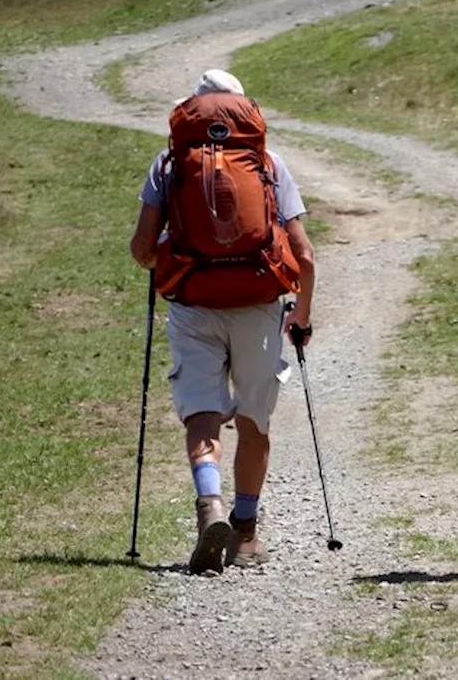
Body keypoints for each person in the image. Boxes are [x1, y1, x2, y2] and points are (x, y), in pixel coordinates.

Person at [129, 69, 317, 575]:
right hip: (258, 304)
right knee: (256, 420)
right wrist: (301, 315)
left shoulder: (169, 164)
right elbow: (304, 254)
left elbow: (142, 250)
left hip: (193, 306)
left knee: (202, 415)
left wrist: (174, 261)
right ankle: (246, 528)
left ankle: (209, 505)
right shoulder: (268, 164)